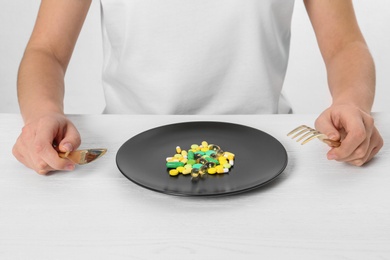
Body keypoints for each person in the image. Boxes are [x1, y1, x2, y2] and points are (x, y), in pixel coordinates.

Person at [13, 0, 383, 175]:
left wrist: (352, 103)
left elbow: (344, 45)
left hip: (271, 153)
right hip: (122, 158)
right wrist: (44, 113)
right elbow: (47, 51)